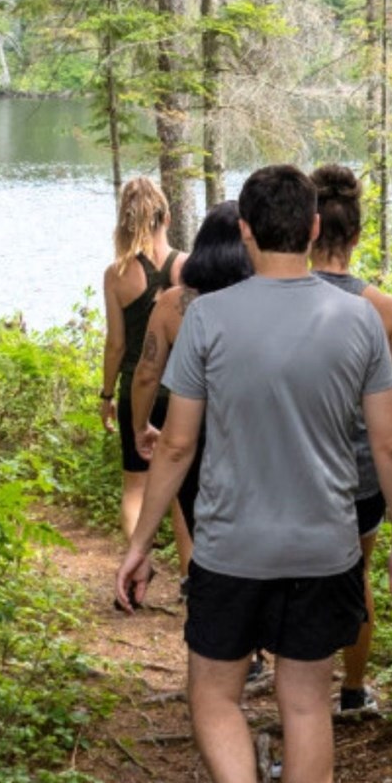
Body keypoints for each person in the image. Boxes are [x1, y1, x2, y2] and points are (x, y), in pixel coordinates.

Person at [114, 165, 392, 783]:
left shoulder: (209, 318)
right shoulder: (360, 317)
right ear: (314, 228)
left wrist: (140, 545)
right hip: (326, 547)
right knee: (307, 704)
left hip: (230, 547)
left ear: (246, 231)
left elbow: (179, 443)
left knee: (215, 693)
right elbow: (389, 443)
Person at [307, 163, 392, 720]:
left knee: (296, 584)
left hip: (294, 472)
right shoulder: (385, 310)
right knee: (354, 581)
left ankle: (301, 695)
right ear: (356, 237)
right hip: (360, 478)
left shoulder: (277, 299)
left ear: (310, 231)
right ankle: (352, 693)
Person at [129, 200, 251, 544]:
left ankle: (197, 585)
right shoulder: (261, 302)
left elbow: (147, 372)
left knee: (201, 527)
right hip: (246, 426)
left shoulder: (173, 302)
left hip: (189, 423)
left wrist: (141, 426)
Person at [99, 177, 192, 591]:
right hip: (181, 391)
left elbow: (116, 345)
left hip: (137, 390)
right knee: (181, 491)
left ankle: (141, 562)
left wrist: (106, 396)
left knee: (135, 485)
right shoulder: (186, 268)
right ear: (167, 217)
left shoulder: (117, 274)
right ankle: (193, 580)